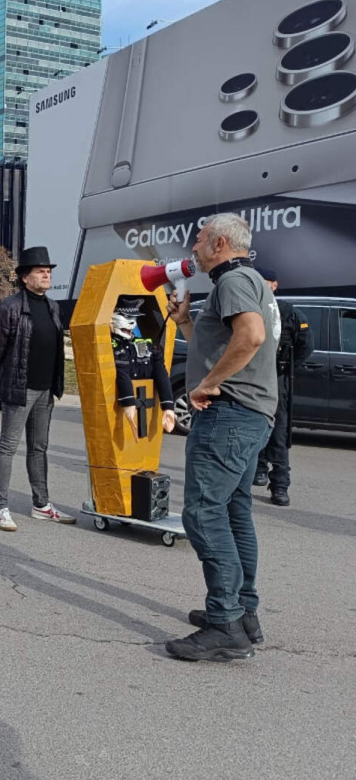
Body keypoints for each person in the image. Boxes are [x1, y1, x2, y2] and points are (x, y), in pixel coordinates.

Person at [165, 213, 279, 663]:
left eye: (198, 240)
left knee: (202, 513)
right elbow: (229, 341)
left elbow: (249, 337)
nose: (192, 248)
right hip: (251, 414)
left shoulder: (232, 280)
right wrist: (185, 323)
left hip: (228, 414)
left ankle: (225, 623)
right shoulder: (249, 280)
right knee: (234, 512)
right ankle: (243, 612)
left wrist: (208, 383)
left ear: (217, 243)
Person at [0, 246, 73, 531]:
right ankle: (0, 508)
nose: (46, 275)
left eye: (48, 271)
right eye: (41, 272)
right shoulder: (9, 308)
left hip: (46, 390)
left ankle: (41, 505)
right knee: (8, 447)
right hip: (19, 390)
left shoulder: (52, 306)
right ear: (25, 278)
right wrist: (1, 385)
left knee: (39, 448)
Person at [252, 268, 312, 507]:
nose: (262, 287)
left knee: (278, 432)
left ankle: (279, 484)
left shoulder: (289, 313)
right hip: (252, 377)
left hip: (277, 378)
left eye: (265, 283)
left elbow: (305, 347)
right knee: (252, 426)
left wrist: (285, 369)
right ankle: (257, 469)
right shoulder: (249, 309)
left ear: (275, 285)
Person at [110, 296, 177, 439]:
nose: (131, 323)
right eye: (126, 317)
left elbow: (160, 371)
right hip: (115, 408)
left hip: (145, 406)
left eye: (134, 318)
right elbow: (122, 371)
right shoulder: (110, 346)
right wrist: (129, 403)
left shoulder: (142, 345)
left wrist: (168, 407)